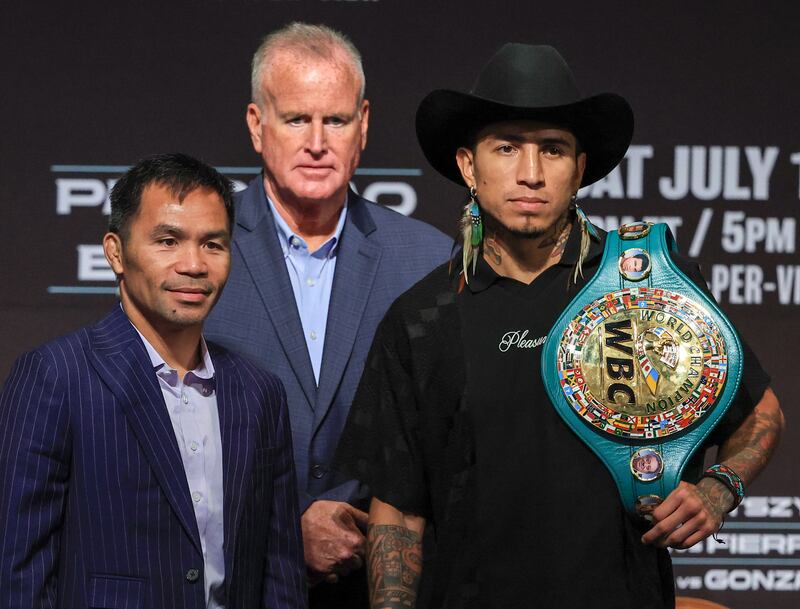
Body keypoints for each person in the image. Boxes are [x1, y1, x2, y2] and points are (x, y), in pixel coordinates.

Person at [336, 44, 784, 608]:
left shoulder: (645, 286)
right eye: (506, 148)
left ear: (580, 169)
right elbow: (399, 511)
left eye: (552, 150)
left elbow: (762, 414)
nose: (530, 173)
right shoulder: (421, 319)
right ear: (469, 166)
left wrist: (720, 489)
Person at [204, 22, 452, 607]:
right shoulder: (200, 249)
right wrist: (284, 533)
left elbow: (448, 442)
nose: (317, 142)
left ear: (363, 126)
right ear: (256, 126)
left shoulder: (429, 258)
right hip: (232, 586)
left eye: (335, 121)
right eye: (295, 119)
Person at [0, 154, 306, 609]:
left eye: (213, 244)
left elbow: (279, 576)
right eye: (168, 241)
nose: (194, 265)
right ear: (115, 252)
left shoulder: (259, 393)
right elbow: (19, 575)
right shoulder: (55, 377)